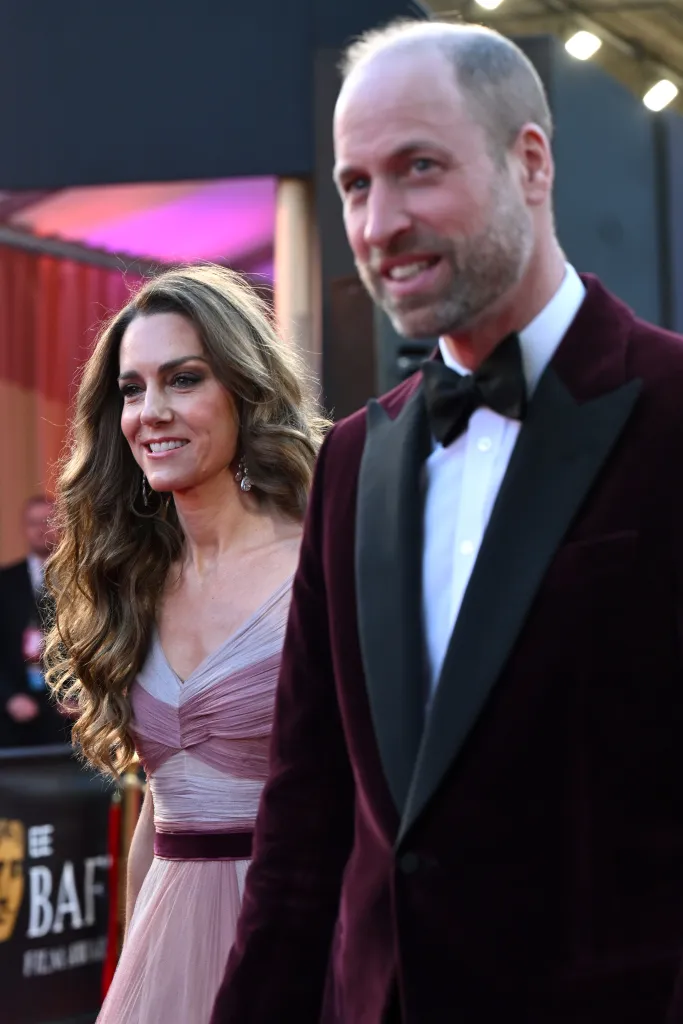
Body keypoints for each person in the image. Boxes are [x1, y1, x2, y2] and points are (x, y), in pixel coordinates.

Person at [210, 20, 683, 1024]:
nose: (379, 222)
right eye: (352, 184)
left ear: (531, 162)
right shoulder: (350, 460)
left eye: (417, 168)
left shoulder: (672, 410)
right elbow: (304, 814)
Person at [43, 264, 326, 1024]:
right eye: (131, 390)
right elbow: (160, 815)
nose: (150, 412)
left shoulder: (320, 559)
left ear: (244, 387)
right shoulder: (133, 577)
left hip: (299, 942)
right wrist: (135, 967)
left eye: (182, 379)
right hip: (166, 950)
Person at [0, 495, 66, 747]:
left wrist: (81, 695)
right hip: (16, 717)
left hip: (70, 717)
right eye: (33, 523)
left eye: (48, 521)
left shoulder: (83, 581)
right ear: (24, 529)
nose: (42, 529)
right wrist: (9, 697)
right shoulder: (4, 582)